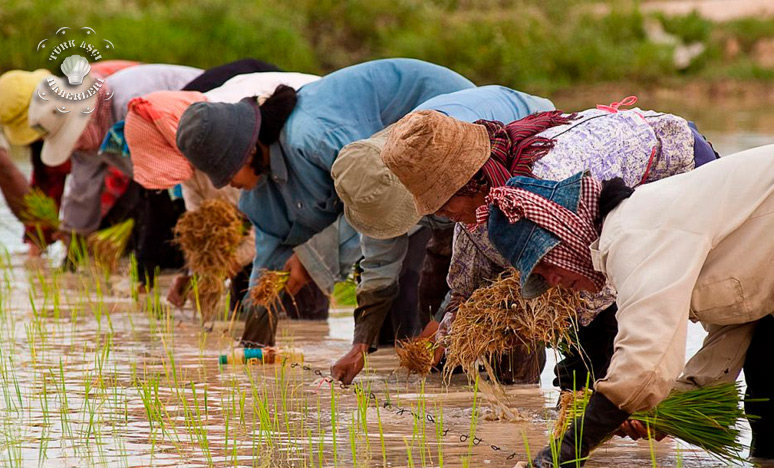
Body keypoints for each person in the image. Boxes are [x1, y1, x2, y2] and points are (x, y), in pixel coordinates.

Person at [381, 99, 719, 391]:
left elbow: (597, 282)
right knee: (580, 329)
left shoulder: (550, 181)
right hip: (612, 214)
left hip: (675, 168)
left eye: (441, 204)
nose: (440, 215)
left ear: (469, 185)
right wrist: (450, 336)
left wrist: (531, 321)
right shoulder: (476, 213)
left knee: (701, 301)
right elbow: (465, 288)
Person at [473, 144, 774, 465]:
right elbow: (741, 312)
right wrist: (670, 403)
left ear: (564, 235)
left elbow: (644, 358)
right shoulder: (635, 231)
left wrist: (563, 452)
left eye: (545, 266)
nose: (553, 281)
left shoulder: (635, 236)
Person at [176, 58, 475, 347]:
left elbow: (373, 195)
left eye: (227, 173)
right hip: (389, 166)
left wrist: (310, 261)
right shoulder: (263, 181)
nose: (227, 184)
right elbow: (270, 242)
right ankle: (403, 364)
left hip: (442, 119)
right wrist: (255, 331)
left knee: (417, 278)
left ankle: (441, 371)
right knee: (381, 306)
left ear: (250, 151)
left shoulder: (314, 137)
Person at [329, 85, 556, 384]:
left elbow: (474, 265)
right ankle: (454, 381)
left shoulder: (441, 152)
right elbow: (379, 270)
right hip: (463, 192)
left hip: (507, 167)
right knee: (434, 288)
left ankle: (520, 391)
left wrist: (440, 327)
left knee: (508, 294)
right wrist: (359, 346)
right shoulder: (372, 183)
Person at [122, 70, 319, 309]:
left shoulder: (229, 141)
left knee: (295, 296)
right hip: (276, 202)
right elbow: (200, 222)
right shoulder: (192, 143)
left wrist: (226, 267)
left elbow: (271, 222)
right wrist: (197, 271)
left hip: (309, 176)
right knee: (246, 304)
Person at [27, 64, 202, 270]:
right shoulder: (89, 134)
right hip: (160, 175)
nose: (75, 144)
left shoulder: (132, 105)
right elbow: (82, 187)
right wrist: (73, 237)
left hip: (194, 139)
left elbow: (172, 174)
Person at [0, 62, 138, 255]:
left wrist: (81, 234)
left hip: (135, 143)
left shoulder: (85, 104)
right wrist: (38, 241)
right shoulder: (49, 123)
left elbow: (117, 170)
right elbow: (48, 180)